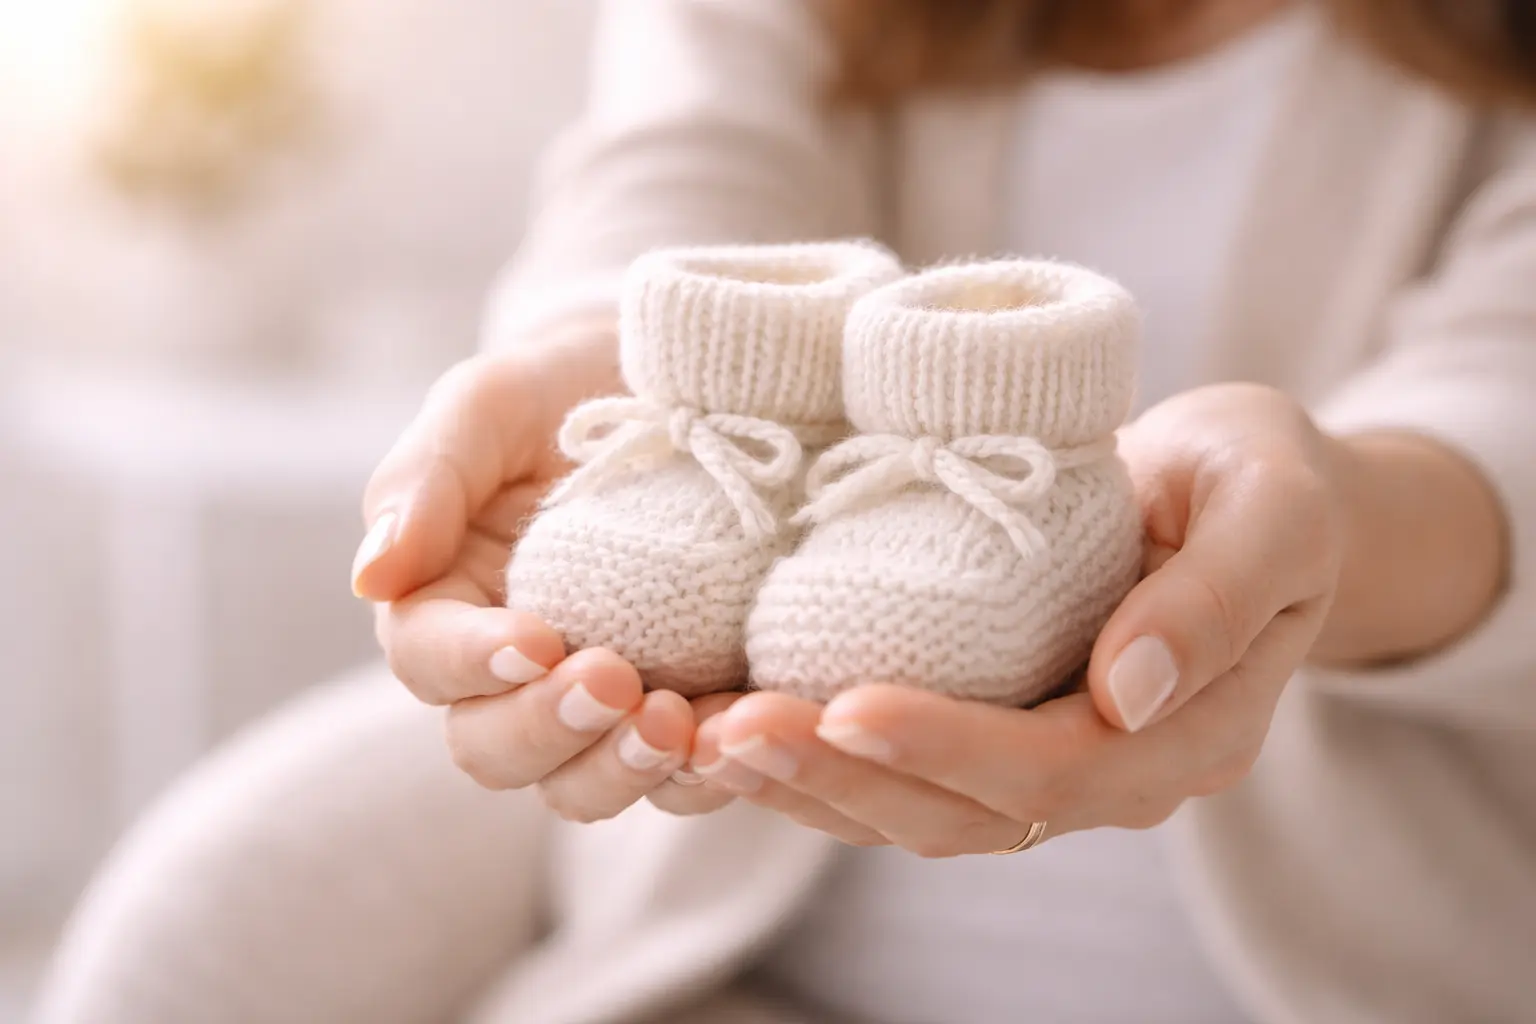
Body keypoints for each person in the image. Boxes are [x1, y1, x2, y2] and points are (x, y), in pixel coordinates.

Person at [34, 0, 1536, 1022]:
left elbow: (1505, 406)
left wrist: (1329, 520)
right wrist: (607, 365)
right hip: (746, 957)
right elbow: (671, 179)